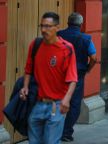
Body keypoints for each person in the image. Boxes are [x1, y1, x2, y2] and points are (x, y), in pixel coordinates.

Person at [20, 12, 78, 144]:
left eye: (47, 26)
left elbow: (73, 79)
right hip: (37, 104)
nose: (43, 30)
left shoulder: (66, 49)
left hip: (56, 105)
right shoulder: (35, 45)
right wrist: (25, 86)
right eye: (42, 26)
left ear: (57, 27)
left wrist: (66, 100)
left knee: (51, 142)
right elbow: (28, 69)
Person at [57, 12, 97, 142]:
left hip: (60, 73)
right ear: (81, 24)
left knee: (57, 101)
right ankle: (66, 132)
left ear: (68, 22)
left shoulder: (59, 35)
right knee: (74, 104)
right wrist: (88, 69)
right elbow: (94, 57)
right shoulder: (86, 38)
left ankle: (56, 130)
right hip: (77, 74)